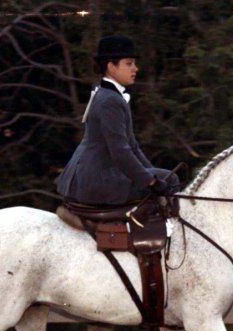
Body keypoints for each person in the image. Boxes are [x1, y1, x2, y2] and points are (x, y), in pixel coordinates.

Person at [54, 34, 179, 206]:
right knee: (171, 180)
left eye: (134, 63)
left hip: (95, 175)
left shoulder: (109, 95)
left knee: (165, 178)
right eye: (129, 63)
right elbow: (120, 152)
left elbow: (132, 146)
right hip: (96, 180)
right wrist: (151, 181)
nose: (135, 68)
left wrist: (151, 175)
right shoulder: (109, 100)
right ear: (111, 66)